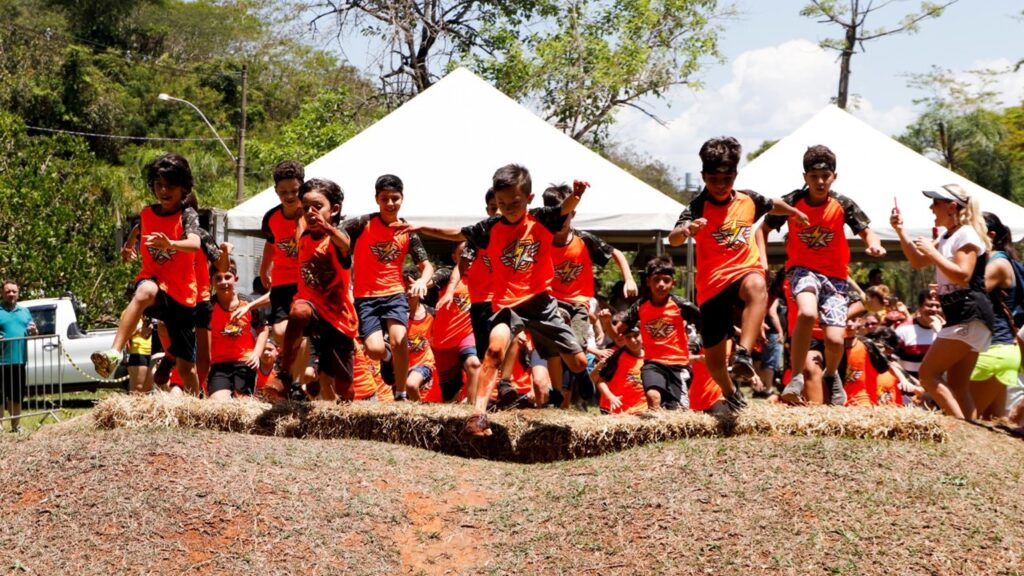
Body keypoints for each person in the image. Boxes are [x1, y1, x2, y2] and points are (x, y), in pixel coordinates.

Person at [400, 165, 592, 435]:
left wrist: (577, 194)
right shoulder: (490, 227)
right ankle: (478, 416)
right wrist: (423, 227)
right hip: (505, 305)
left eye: (514, 202)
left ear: (529, 198)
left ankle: (581, 378)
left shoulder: (540, 219)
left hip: (540, 303)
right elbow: (458, 234)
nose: (509, 209)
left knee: (579, 363)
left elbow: (563, 209)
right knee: (493, 351)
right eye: (502, 204)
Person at [667, 136, 808, 411]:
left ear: (735, 175)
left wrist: (793, 211)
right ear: (703, 176)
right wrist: (685, 231)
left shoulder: (748, 199)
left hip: (744, 271)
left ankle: (743, 352)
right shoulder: (697, 207)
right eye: (713, 179)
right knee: (715, 363)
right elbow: (673, 238)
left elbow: (772, 203)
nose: (720, 186)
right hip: (712, 286)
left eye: (727, 179)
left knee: (757, 284)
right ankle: (730, 391)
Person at [761, 144, 885, 406]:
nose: (820, 181)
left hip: (836, 278)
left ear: (834, 176)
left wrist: (873, 244)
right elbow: (762, 229)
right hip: (802, 270)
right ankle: (795, 376)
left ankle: (832, 375)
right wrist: (762, 263)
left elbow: (866, 230)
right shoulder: (792, 201)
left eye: (825, 176)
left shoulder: (842, 204)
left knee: (834, 338)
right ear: (805, 177)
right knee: (806, 312)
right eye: (814, 176)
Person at [92, 153, 223, 395]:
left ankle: (195, 404)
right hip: (155, 283)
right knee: (144, 290)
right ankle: (114, 351)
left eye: (170, 186)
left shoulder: (187, 215)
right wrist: (128, 246)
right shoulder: (147, 213)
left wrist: (170, 244)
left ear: (183, 187)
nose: (163, 191)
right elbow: (139, 228)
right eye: (158, 185)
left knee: (187, 369)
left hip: (182, 296)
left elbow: (194, 243)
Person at [890, 183, 994, 419]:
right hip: (967, 315)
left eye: (935, 203)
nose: (931, 207)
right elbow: (918, 261)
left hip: (968, 313)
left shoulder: (965, 233)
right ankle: (974, 435)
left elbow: (963, 274)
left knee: (927, 374)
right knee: (957, 384)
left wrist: (932, 251)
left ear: (951, 207)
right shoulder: (949, 235)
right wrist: (900, 231)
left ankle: (962, 431)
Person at [542, 183, 639, 407]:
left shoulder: (583, 240)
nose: (558, 223)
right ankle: (556, 392)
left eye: (563, 217)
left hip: (578, 302)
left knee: (573, 345)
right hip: (551, 301)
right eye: (553, 217)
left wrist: (629, 278)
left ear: (572, 214)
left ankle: (580, 373)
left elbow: (616, 253)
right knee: (554, 345)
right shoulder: (540, 239)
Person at [342, 174, 434, 401]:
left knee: (400, 339)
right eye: (385, 199)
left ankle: (400, 393)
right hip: (366, 296)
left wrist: (423, 280)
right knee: (373, 349)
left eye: (395, 198)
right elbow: (337, 236)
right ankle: (386, 357)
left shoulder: (407, 230)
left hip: (394, 294)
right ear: (377, 199)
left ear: (402, 199)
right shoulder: (362, 224)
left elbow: (427, 265)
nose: (390, 203)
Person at [271, 178, 358, 402]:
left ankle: (345, 412)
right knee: (298, 312)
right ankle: (285, 375)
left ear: (335, 209)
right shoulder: (304, 237)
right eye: (307, 207)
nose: (311, 212)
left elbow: (345, 244)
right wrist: (293, 193)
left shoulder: (337, 238)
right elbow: (295, 211)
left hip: (338, 318)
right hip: (311, 309)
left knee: (344, 386)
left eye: (317, 207)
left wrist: (327, 226)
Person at [600, 257, 698, 410]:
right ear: (648, 282)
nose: (661, 285)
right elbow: (616, 336)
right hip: (653, 363)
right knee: (653, 396)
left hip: (679, 365)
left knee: (678, 412)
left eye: (666, 280)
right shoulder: (640, 306)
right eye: (656, 280)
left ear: (674, 283)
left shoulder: (682, 305)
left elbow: (707, 326)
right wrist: (606, 322)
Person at [967, 213, 1021, 419]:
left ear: (991, 234)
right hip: (1002, 351)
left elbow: (971, 295)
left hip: (991, 352)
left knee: (963, 424)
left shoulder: (997, 263)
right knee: (991, 428)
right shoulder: (996, 261)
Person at [259, 160, 306, 373]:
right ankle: (297, 365)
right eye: (283, 191)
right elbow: (270, 244)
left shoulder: (310, 213)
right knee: (279, 332)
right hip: (281, 281)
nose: (288, 196)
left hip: (305, 281)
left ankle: (294, 381)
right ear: (275, 191)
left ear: (302, 188)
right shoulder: (271, 217)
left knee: (297, 329)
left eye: (294, 191)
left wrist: (300, 219)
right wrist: (263, 269)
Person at [207, 259, 270, 400]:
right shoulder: (209, 307)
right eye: (218, 278)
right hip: (219, 364)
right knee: (217, 403)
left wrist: (256, 354)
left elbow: (263, 330)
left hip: (245, 362)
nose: (223, 282)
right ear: (211, 281)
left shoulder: (248, 303)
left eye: (227, 277)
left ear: (236, 279)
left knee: (243, 403)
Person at [0, 280, 37, 432]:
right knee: (0, 396)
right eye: (8, 291)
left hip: (19, 360)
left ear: (18, 293)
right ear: (2, 293)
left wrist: (34, 331)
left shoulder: (25, 312)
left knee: (17, 395)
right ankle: (0, 427)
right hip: (1, 361)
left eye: (14, 291)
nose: (11, 294)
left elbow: (33, 330)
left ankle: (16, 426)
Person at [593, 324, 647, 415]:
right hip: (616, 410)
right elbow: (600, 380)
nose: (632, 340)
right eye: (628, 337)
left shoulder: (650, 357)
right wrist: (611, 397)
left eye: (636, 335)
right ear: (623, 339)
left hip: (641, 409)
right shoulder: (616, 357)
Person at [894, 290, 943, 380]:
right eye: (930, 305)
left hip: (937, 389)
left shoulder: (946, 331)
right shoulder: (903, 330)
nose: (934, 310)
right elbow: (892, 362)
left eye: (938, 306)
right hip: (911, 390)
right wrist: (910, 383)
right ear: (919, 307)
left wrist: (940, 331)